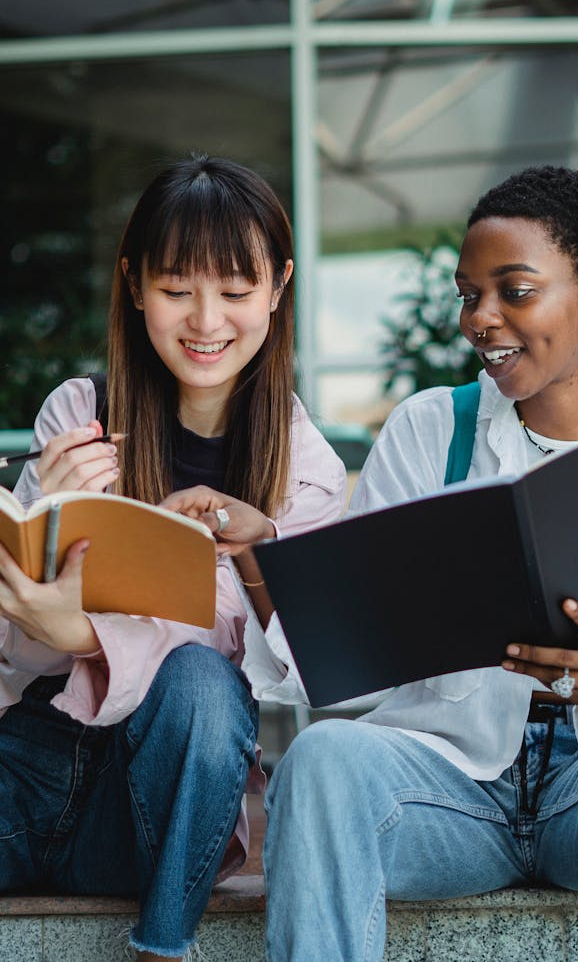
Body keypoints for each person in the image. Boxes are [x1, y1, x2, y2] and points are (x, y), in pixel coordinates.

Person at [249, 165, 578, 962]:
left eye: (514, 290)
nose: (481, 319)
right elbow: (350, 668)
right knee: (321, 759)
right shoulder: (431, 431)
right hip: (449, 787)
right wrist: (270, 572)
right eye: (468, 295)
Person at [0, 154, 346, 961]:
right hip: (29, 765)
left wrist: (87, 630)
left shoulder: (304, 469)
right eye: (176, 288)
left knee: (197, 681)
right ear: (132, 284)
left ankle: (162, 948)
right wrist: (40, 542)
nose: (206, 320)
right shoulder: (81, 415)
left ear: (278, 287)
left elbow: (249, 656)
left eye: (234, 290)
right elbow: (17, 647)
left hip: (151, 805)